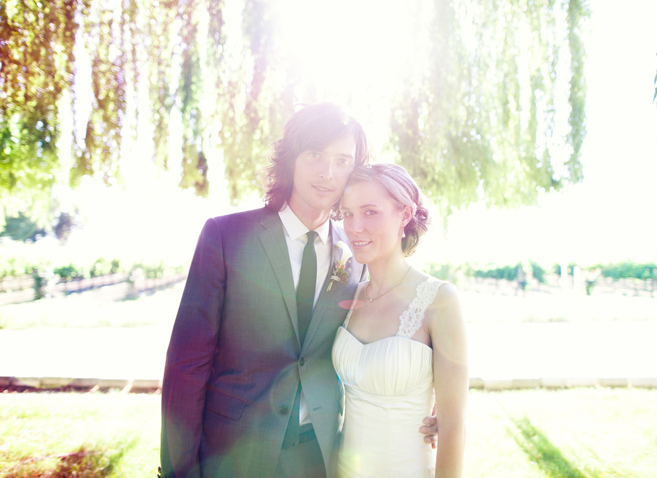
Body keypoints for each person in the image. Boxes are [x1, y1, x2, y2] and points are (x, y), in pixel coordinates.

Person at [160, 103, 437, 478]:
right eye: (315, 154)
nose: (327, 173)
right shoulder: (225, 237)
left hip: (318, 456)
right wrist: (179, 470)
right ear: (291, 158)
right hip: (232, 454)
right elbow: (186, 365)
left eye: (342, 161)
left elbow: (393, 320)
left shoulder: (357, 252)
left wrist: (435, 396)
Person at [333, 164, 468, 478]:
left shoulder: (439, 300)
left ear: (405, 215)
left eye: (370, 212)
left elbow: (453, 428)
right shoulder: (346, 297)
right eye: (347, 214)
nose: (354, 228)